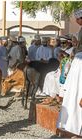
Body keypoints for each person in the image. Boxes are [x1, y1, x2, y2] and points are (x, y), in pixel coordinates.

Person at [57, 9, 82, 138]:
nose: (77, 21)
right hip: (78, 61)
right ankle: (74, 128)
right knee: (73, 94)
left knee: (77, 93)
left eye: (77, 19)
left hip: (80, 63)